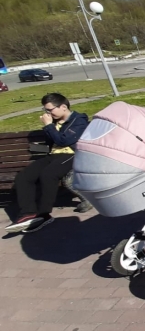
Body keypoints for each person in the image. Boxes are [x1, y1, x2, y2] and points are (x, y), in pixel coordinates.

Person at [5, 93, 90, 233]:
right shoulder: (55, 122)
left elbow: (63, 141)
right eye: (46, 110)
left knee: (48, 174)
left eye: (50, 110)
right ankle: (28, 214)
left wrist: (49, 126)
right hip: (53, 155)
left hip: (72, 155)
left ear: (63, 107)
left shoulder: (79, 121)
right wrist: (50, 127)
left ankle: (44, 214)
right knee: (24, 177)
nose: (48, 113)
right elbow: (51, 143)